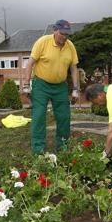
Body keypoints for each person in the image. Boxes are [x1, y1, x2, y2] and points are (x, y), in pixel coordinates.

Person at [26, 20, 80, 153]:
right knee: (39, 116)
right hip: (41, 85)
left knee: (64, 117)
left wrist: (75, 89)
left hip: (60, 87)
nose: (65, 37)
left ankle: (63, 147)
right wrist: (26, 84)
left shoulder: (70, 46)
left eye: (67, 34)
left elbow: (74, 69)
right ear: (54, 30)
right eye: (62, 33)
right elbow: (30, 63)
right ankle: (38, 149)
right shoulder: (42, 42)